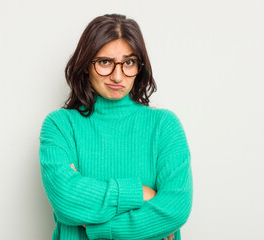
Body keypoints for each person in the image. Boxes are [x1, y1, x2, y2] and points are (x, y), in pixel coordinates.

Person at [39, 14, 193, 240]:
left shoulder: (164, 126)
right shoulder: (60, 126)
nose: (118, 75)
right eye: (104, 62)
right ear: (85, 66)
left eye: (128, 62)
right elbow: (66, 199)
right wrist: (139, 193)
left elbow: (175, 210)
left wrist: (97, 228)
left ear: (139, 67)